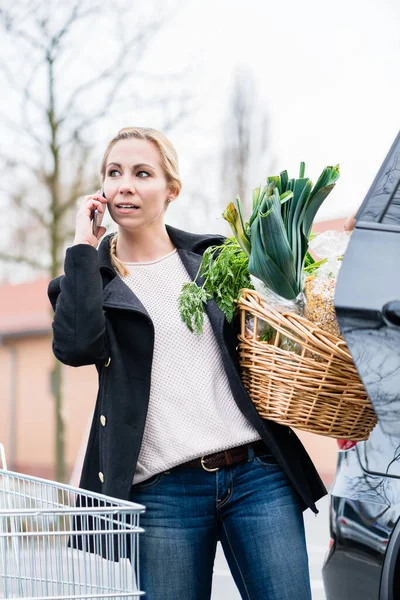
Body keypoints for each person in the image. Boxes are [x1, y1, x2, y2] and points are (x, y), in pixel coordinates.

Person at [48, 126, 326, 600]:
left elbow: (274, 338)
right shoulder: (87, 281)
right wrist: (81, 244)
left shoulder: (213, 259)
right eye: (114, 173)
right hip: (162, 494)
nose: (125, 185)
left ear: (171, 189)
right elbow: (76, 347)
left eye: (142, 173)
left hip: (257, 476)